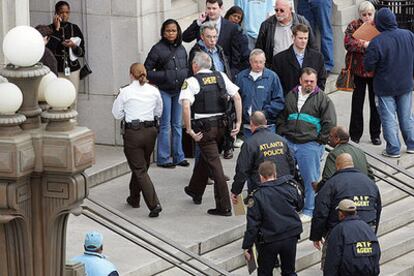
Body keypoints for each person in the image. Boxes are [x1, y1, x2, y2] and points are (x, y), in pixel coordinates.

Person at [179, 51, 242, 216]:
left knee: (215, 167)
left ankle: (224, 206)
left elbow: (186, 106)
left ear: (195, 65)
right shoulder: (220, 76)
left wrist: (189, 130)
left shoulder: (192, 81)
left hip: (204, 129)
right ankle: (195, 190)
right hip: (222, 127)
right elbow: (237, 97)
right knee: (207, 159)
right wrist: (239, 122)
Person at [277, 67, 336, 222]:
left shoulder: (323, 99)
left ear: (316, 82)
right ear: (300, 81)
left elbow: (329, 123)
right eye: (306, 81)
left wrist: (319, 141)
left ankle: (309, 210)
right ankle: (288, 206)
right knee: (284, 176)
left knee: (311, 179)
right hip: (289, 141)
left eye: (312, 81)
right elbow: (283, 115)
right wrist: (282, 132)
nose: (309, 84)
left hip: (309, 145)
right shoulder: (291, 95)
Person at [310, 154, 382, 269]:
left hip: (338, 230)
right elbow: (378, 208)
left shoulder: (331, 184)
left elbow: (321, 212)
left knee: (333, 264)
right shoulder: (369, 183)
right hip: (367, 229)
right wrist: (372, 231)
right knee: (366, 264)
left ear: (337, 166)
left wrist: (316, 235)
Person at [112, 63, 162, 218]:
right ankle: (134, 198)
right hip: (150, 132)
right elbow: (158, 111)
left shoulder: (125, 92)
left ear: (130, 75)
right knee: (141, 166)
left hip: (133, 133)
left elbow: (117, 114)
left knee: (139, 169)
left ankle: (154, 205)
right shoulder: (154, 91)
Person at [364, 7, 414, 158]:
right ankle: (411, 144)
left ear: (379, 23)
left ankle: (393, 149)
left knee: (388, 118)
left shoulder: (376, 42)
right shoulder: (409, 35)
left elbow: (368, 66)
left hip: (384, 86)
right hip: (405, 84)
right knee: (406, 117)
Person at [242, 161, 303, 276]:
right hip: (290, 235)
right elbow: (299, 205)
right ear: (275, 173)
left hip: (269, 239)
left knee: (265, 272)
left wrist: (247, 245)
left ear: (260, 176)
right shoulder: (290, 187)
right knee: (289, 271)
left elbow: (253, 224)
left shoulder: (257, 196)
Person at [144, 19, 190, 169]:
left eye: (174, 30)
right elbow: (146, 71)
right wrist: (164, 76)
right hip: (164, 90)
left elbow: (186, 68)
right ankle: (163, 158)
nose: (171, 33)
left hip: (178, 91)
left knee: (177, 124)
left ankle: (178, 156)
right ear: (163, 32)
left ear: (178, 32)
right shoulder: (157, 49)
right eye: (168, 31)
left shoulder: (182, 48)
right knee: (165, 125)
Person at [188, 22, 234, 159]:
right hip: (205, 98)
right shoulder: (197, 52)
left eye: (215, 37)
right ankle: (205, 172)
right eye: (209, 37)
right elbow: (195, 75)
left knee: (217, 135)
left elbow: (224, 69)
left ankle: (213, 170)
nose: (213, 40)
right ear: (202, 36)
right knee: (203, 137)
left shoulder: (219, 49)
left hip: (221, 94)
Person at [231, 111, 296, 198]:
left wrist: (235, 191)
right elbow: (292, 163)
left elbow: (242, 170)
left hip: (262, 189)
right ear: (266, 122)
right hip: (284, 186)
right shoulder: (281, 140)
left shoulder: (250, 143)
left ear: (251, 124)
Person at [344, 1, 381, 145]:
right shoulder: (353, 25)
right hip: (358, 71)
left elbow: (381, 44)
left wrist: (368, 44)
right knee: (357, 104)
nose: (367, 17)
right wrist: (364, 44)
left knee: (375, 104)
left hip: (375, 72)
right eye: (364, 14)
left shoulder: (378, 26)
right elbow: (348, 43)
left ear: (374, 14)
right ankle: (355, 134)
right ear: (360, 15)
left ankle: (375, 134)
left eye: (369, 14)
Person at [183, 0, 241, 78]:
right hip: (204, 77)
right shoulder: (201, 23)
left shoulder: (232, 27)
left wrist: (231, 77)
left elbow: (235, 56)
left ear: (221, 8)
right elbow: (185, 38)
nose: (211, 11)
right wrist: (198, 22)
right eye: (208, 8)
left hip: (224, 77)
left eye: (214, 8)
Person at [323, 199, 381, 276]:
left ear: (340, 214)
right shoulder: (367, 228)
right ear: (355, 212)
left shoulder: (338, 230)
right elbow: (376, 253)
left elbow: (332, 260)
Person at [235, 49, 284, 137]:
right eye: (255, 62)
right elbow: (236, 98)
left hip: (267, 126)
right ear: (250, 61)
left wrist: (264, 114)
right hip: (247, 127)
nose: (258, 65)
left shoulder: (272, 77)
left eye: (261, 62)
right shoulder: (241, 77)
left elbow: (279, 101)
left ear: (265, 61)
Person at [255, 0, 317, 68]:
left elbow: (312, 46)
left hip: (298, 67)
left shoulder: (302, 22)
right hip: (275, 67)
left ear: (290, 10)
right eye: (276, 10)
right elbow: (259, 49)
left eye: (282, 10)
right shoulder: (267, 25)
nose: (278, 13)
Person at [47, 1, 85, 108]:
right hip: (56, 69)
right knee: (57, 99)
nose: (64, 15)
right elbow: (49, 49)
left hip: (73, 69)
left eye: (67, 12)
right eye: (61, 12)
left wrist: (73, 46)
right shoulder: (49, 29)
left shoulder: (75, 28)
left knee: (73, 99)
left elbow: (82, 53)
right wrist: (57, 29)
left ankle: (73, 123)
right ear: (56, 13)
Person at [272, 23, 326, 95]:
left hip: (312, 100)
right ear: (293, 37)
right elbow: (277, 84)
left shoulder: (318, 57)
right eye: (300, 38)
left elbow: (321, 80)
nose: (303, 41)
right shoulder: (279, 59)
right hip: (288, 101)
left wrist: (315, 97)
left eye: (305, 38)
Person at [317, 126, 374, 192]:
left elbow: (327, 180)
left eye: (330, 136)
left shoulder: (334, 154)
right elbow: (370, 176)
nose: (328, 139)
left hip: (346, 195)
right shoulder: (359, 151)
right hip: (364, 194)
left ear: (337, 139)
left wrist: (317, 187)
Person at [297, 0, 334, 73]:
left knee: (325, 31)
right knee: (305, 32)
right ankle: (310, 64)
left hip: (321, 1)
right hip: (303, 2)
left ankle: (327, 66)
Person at [224, 5, 250, 70]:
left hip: (236, 67)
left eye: (239, 18)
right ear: (228, 15)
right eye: (234, 16)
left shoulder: (242, 34)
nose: (236, 19)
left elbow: (245, 55)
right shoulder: (220, 29)